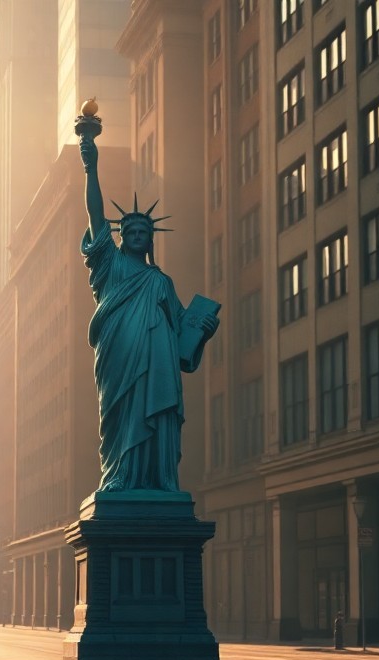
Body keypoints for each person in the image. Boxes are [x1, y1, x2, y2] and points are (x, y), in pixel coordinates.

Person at [79, 133, 218, 493]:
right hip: (119, 363)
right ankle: (121, 477)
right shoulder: (110, 265)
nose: (138, 233)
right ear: (120, 236)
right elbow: (96, 213)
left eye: (144, 230)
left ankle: (158, 479)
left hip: (158, 369)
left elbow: (182, 340)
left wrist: (203, 329)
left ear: (151, 238)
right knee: (121, 420)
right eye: (130, 230)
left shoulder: (162, 282)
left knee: (159, 414)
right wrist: (91, 167)